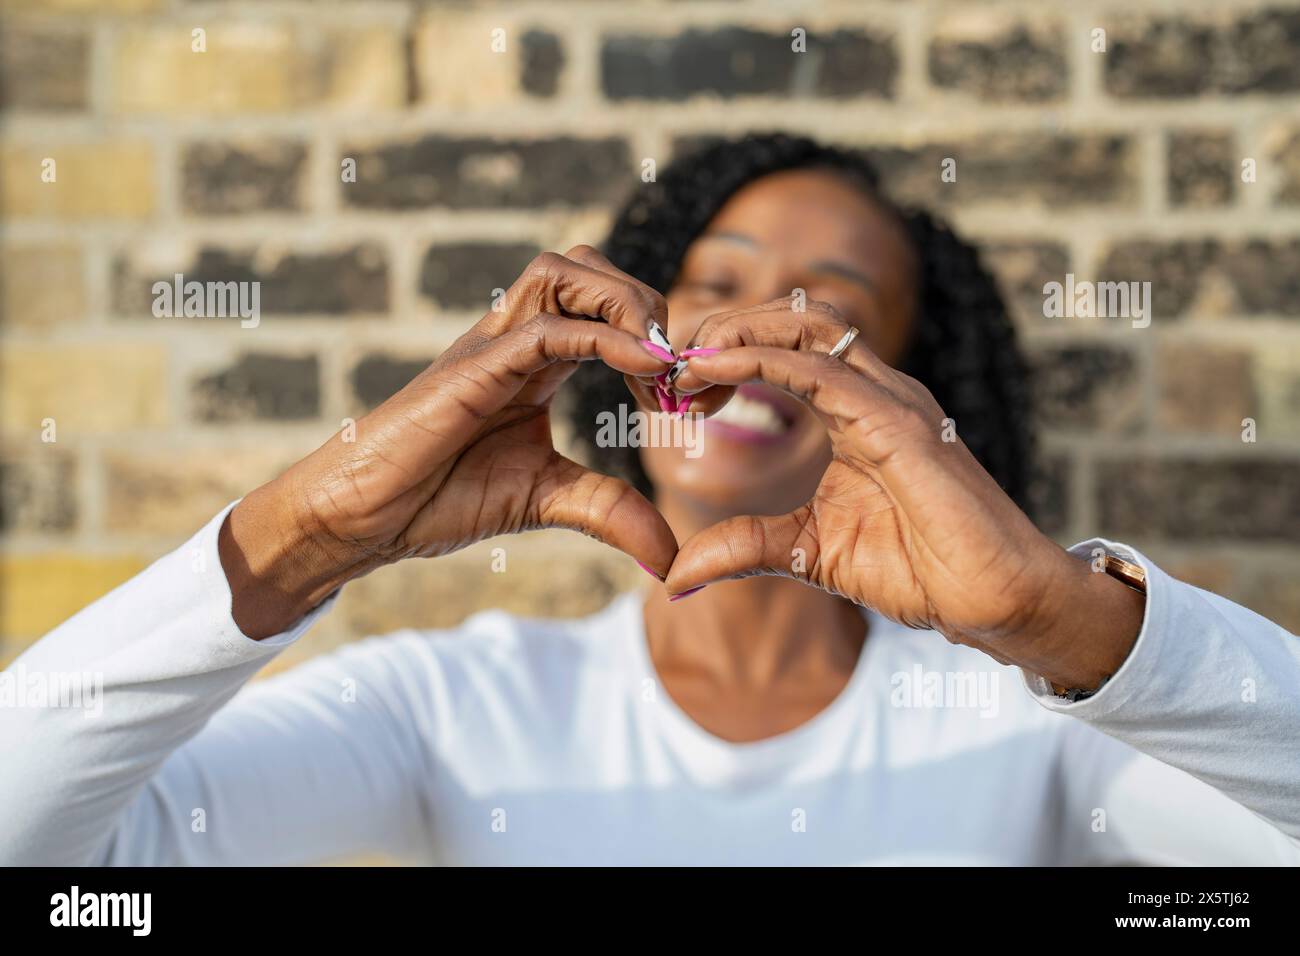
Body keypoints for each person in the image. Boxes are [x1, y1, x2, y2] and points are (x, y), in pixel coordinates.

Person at [2, 134, 1297, 866]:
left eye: (825, 313)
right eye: (715, 282)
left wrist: (1066, 624)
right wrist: (304, 538)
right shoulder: (458, 704)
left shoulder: (1033, 725)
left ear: (916, 399)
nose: (754, 333)